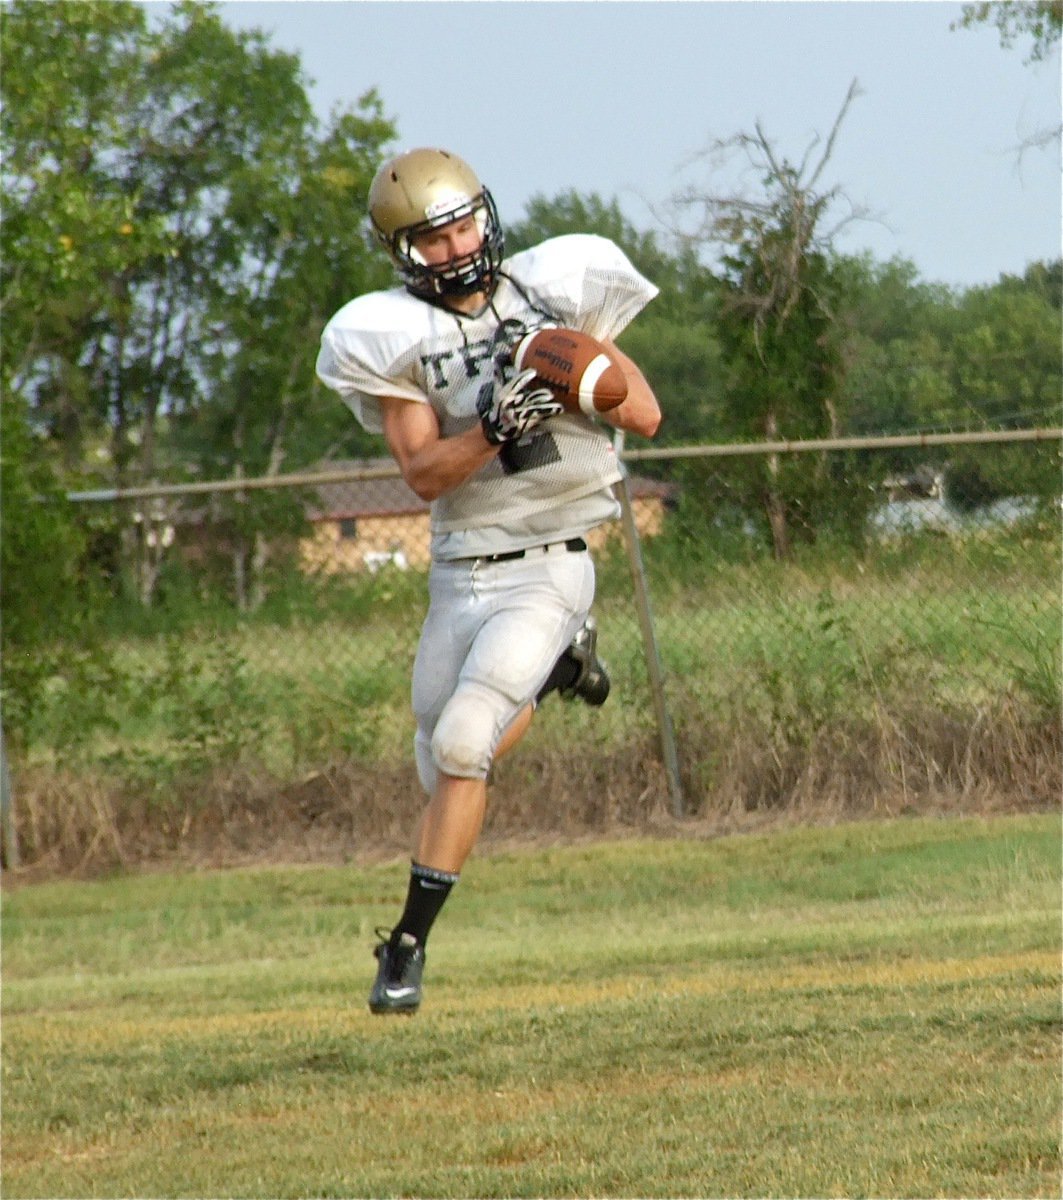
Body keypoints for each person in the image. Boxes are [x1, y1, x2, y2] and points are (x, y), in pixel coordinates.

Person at [316, 147, 662, 1015]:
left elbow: (647, 415)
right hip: (459, 571)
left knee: (469, 742)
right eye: (432, 237)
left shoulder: (553, 292)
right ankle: (561, 671)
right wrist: (495, 423)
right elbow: (425, 475)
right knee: (438, 766)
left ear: (488, 214)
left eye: (464, 223)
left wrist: (575, 381)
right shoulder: (390, 334)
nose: (456, 245)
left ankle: (404, 949)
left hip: (550, 559)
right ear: (402, 251)